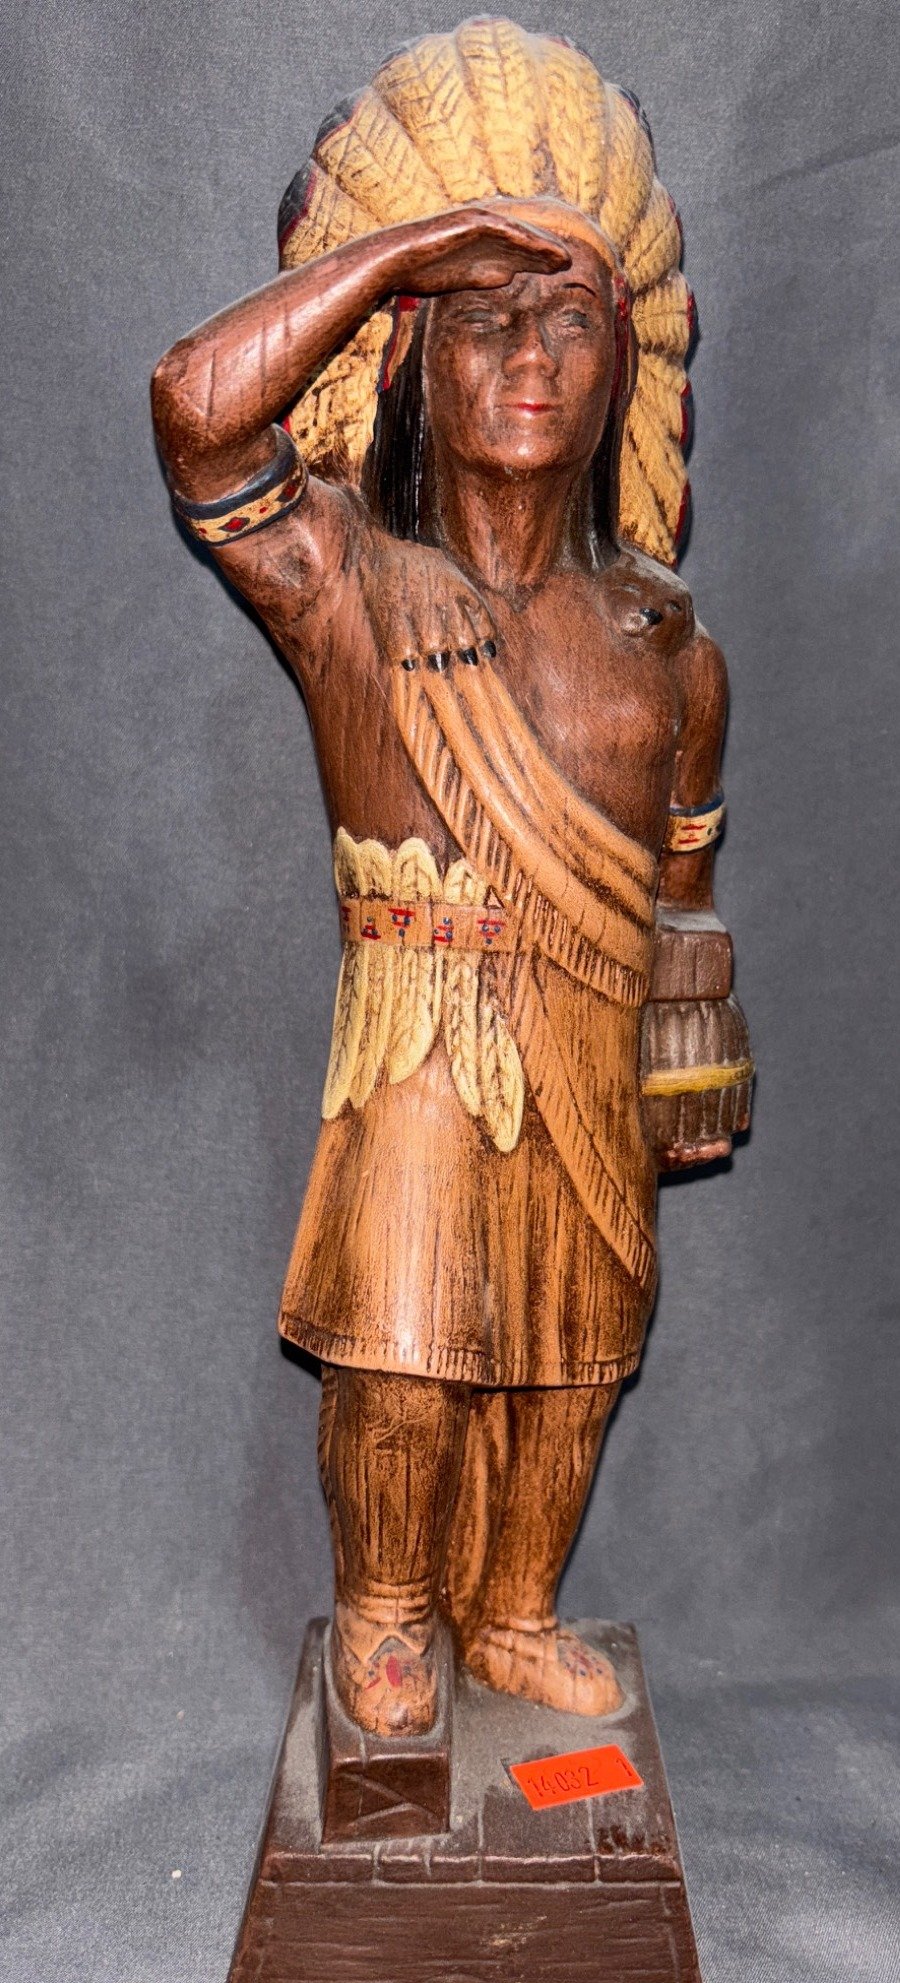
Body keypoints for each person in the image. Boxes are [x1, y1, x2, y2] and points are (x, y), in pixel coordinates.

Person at [151, 21, 750, 1739]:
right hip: (418, 1032)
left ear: (624, 367)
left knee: (577, 1355)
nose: (532, 356)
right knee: (404, 1351)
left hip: (592, 1036)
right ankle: (389, 1610)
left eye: (571, 319)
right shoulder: (349, 581)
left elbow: (686, 885)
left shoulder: (665, 644)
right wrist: (416, 245)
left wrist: (690, 1039)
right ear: (414, 362)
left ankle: (511, 1610)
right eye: (485, 321)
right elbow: (196, 409)